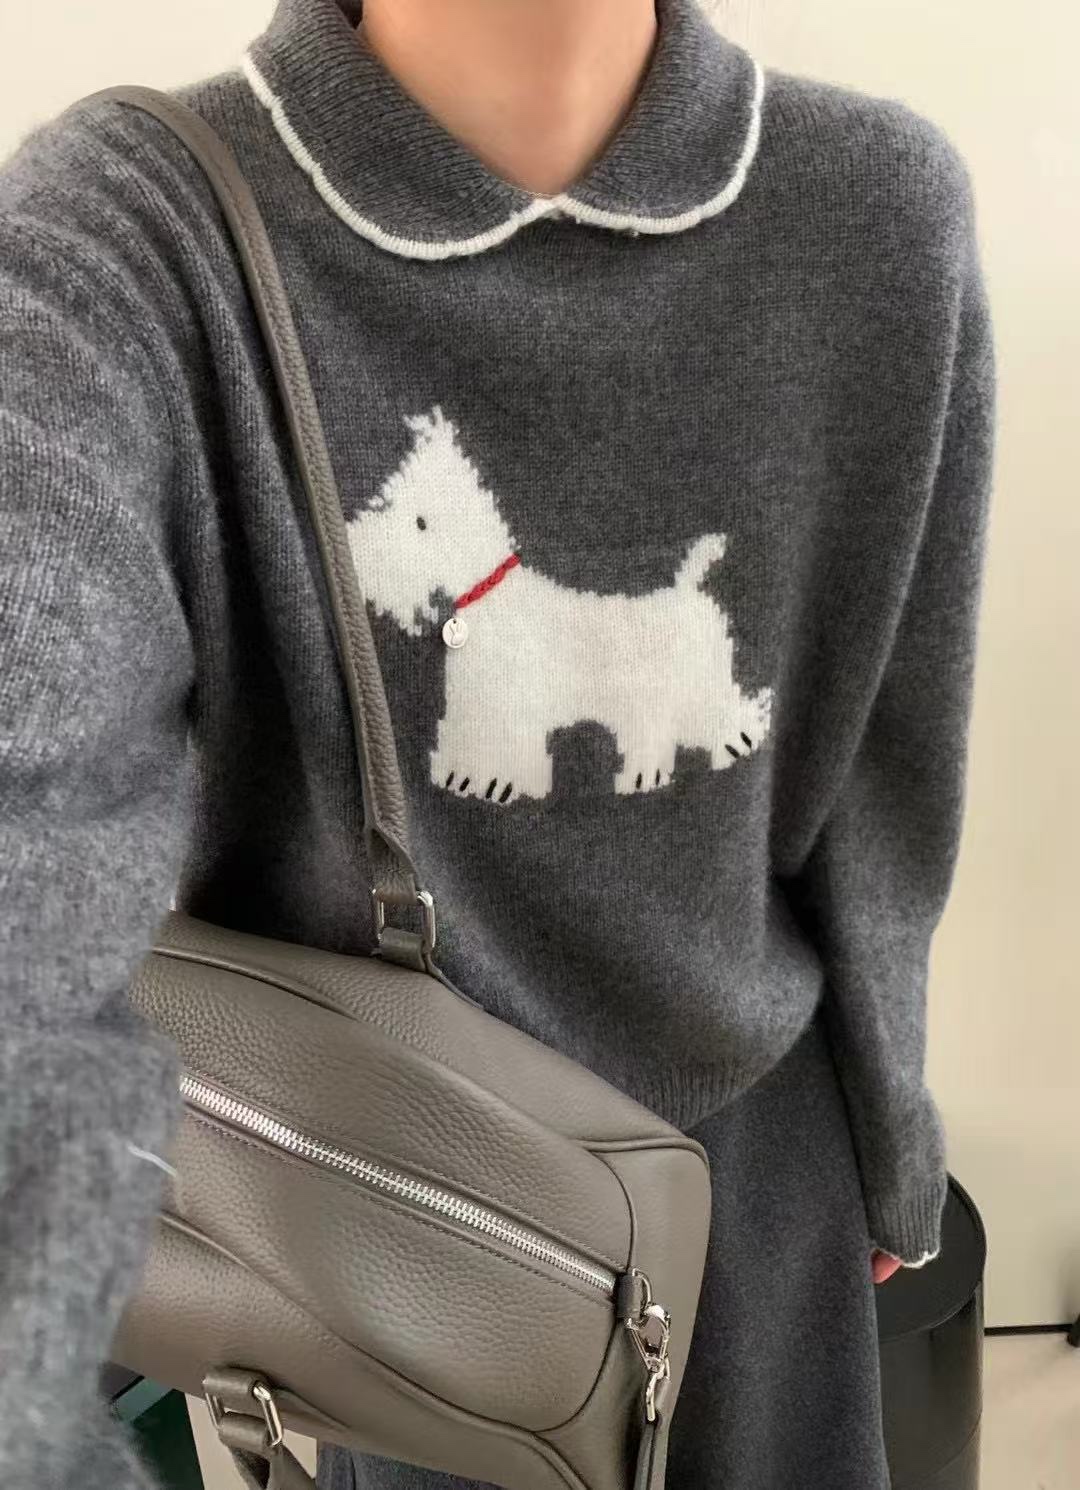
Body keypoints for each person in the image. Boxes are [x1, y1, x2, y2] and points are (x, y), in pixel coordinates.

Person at [0, 0, 995, 1487]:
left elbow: (888, 798)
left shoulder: (880, 213)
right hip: (397, 1225)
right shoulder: (129, 242)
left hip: (764, 1201)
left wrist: (891, 1142)